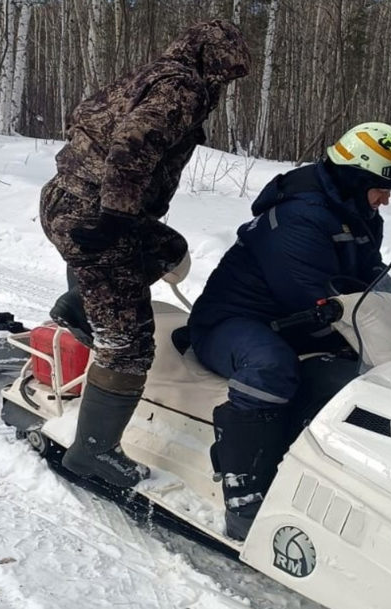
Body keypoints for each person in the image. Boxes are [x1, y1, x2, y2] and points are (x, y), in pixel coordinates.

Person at [187, 122, 391, 540]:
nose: (387, 197)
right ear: (359, 176)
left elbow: (370, 277)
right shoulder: (298, 217)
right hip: (233, 322)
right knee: (271, 367)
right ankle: (245, 495)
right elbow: (315, 295)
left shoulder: (358, 213)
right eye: (382, 185)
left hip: (298, 319)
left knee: (372, 369)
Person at [39, 20, 250, 488]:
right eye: (225, 72)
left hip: (72, 200)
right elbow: (134, 144)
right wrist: (115, 214)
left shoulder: (150, 75)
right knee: (130, 345)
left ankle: (83, 307)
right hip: (97, 215)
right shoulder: (182, 87)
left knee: (167, 247)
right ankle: (93, 453)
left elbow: (86, 120)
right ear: (208, 60)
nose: (225, 83)